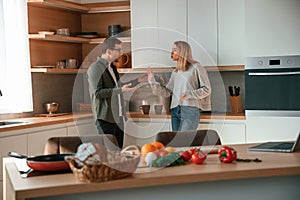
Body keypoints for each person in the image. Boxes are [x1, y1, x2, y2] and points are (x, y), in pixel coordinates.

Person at [87, 37, 147, 149]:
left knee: (118, 151)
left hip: (118, 117)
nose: (121, 53)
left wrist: (138, 80)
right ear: (109, 51)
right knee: (109, 153)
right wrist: (120, 90)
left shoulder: (112, 67)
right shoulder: (95, 68)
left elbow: (119, 86)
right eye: (119, 50)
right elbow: (98, 93)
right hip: (105, 118)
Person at [147, 41, 211, 131]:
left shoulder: (196, 67)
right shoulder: (175, 72)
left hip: (190, 110)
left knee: (185, 141)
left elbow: (207, 89)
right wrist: (151, 80)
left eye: (175, 50)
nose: (171, 53)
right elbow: (167, 92)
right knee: (177, 143)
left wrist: (189, 94)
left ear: (183, 52)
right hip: (175, 110)